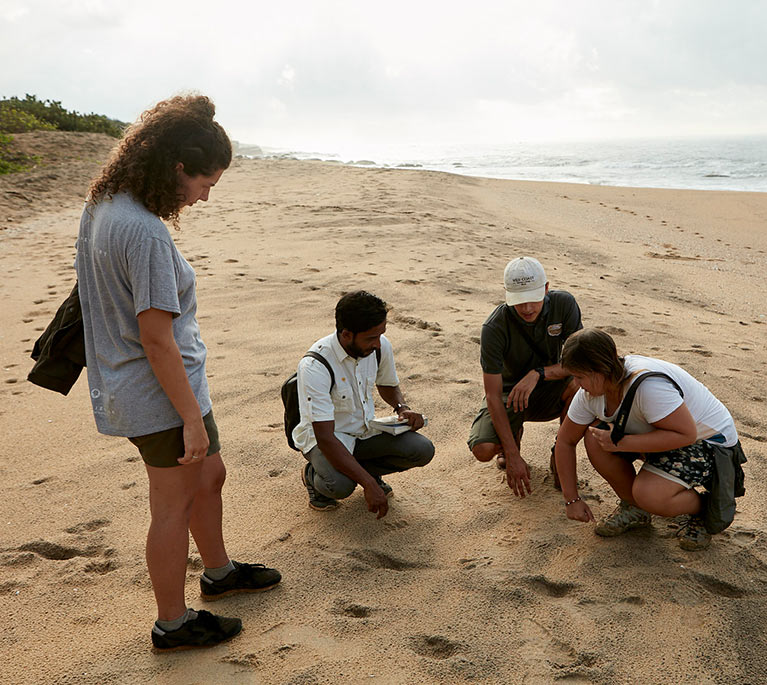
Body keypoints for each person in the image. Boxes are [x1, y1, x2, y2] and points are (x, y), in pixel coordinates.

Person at [76, 95, 281, 651]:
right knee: (172, 504)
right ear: (176, 168)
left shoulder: (105, 202)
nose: (206, 196)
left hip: (161, 386)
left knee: (209, 477)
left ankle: (218, 573)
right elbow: (156, 339)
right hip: (160, 394)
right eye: (205, 183)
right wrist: (189, 417)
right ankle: (172, 622)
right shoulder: (143, 231)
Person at [555, 328, 745, 551]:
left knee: (649, 495)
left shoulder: (648, 387)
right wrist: (572, 499)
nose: (577, 384)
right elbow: (565, 441)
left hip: (709, 442)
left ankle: (704, 509)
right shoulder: (589, 394)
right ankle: (636, 509)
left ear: (600, 369)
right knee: (594, 437)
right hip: (661, 432)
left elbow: (687, 434)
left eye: (579, 376)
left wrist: (621, 443)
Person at [293, 290, 435, 518]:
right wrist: (369, 484)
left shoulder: (379, 346)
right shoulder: (314, 366)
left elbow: (387, 384)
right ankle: (312, 475)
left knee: (422, 450)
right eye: (371, 338)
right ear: (347, 334)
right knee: (340, 486)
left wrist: (402, 408)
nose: (378, 344)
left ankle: (361, 469)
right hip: (327, 439)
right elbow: (326, 438)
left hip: (364, 431)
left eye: (380, 335)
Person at [468, 257, 582, 497]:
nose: (528, 308)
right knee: (482, 449)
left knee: (581, 387)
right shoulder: (494, 327)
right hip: (510, 393)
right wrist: (512, 455)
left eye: (534, 299)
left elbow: (580, 362)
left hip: (553, 387)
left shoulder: (565, 304)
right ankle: (512, 438)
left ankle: (560, 455)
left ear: (547, 289)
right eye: (520, 301)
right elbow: (492, 394)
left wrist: (539, 374)